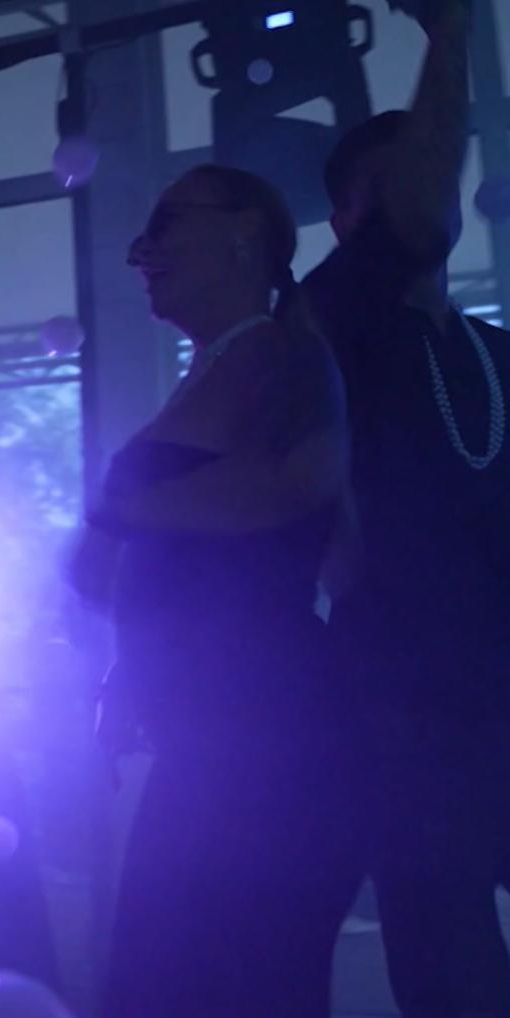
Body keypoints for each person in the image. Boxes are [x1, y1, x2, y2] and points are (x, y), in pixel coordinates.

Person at [93, 164, 360, 1018]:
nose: (140, 251)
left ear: (246, 231)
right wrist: (132, 670)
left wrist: (130, 511)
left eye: (166, 224)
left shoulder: (284, 354)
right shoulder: (227, 365)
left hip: (266, 748)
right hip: (223, 746)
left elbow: (305, 481)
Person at [304, 1, 510, 1012]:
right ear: (348, 221)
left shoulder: (494, 352)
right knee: (449, 969)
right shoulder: (325, 317)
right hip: (403, 708)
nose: (433, 186)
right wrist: (450, 35)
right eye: (400, 179)